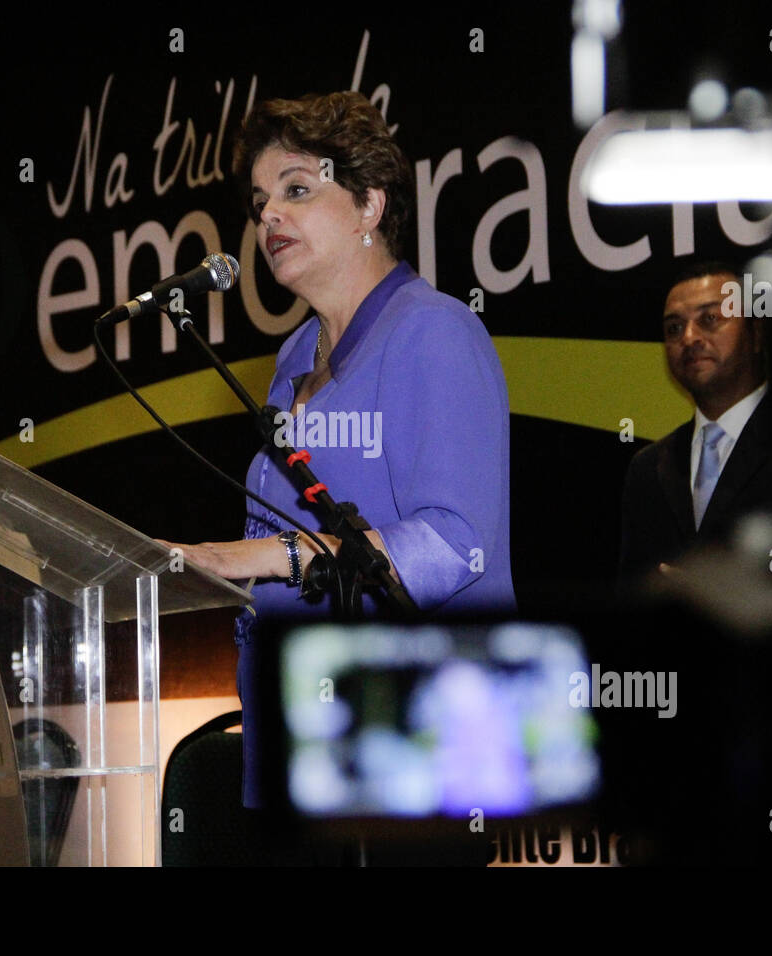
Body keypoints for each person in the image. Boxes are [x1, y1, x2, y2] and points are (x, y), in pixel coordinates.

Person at [164, 91, 515, 808]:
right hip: (297, 740)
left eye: (297, 189)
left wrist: (262, 556)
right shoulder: (294, 356)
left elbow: (454, 546)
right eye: (261, 200)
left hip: (416, 749)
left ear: (369, 206)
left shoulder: (436, 333)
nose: (267, 216)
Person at [619, 261, 772, 579]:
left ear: (756, 333)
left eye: (710, 319)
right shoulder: (648, 468)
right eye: (674, 328)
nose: (689, 337)